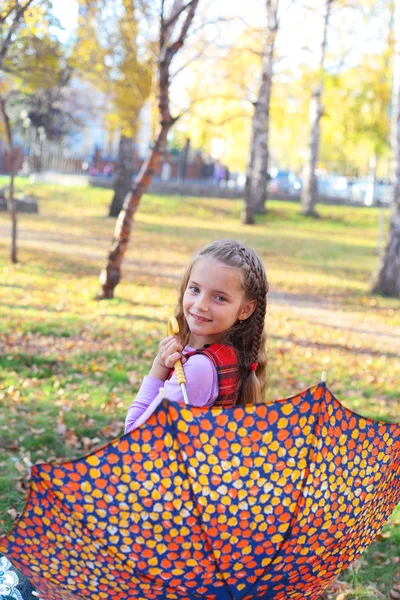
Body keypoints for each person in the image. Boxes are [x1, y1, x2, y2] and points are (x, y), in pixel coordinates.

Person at [125, 239, 269, 433]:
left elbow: (134, 434)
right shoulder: (232, 355)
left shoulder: (198, 370)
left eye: (219, 297)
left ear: (245, 309)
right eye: (195, 289)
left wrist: (159, 366)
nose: (201, 304)